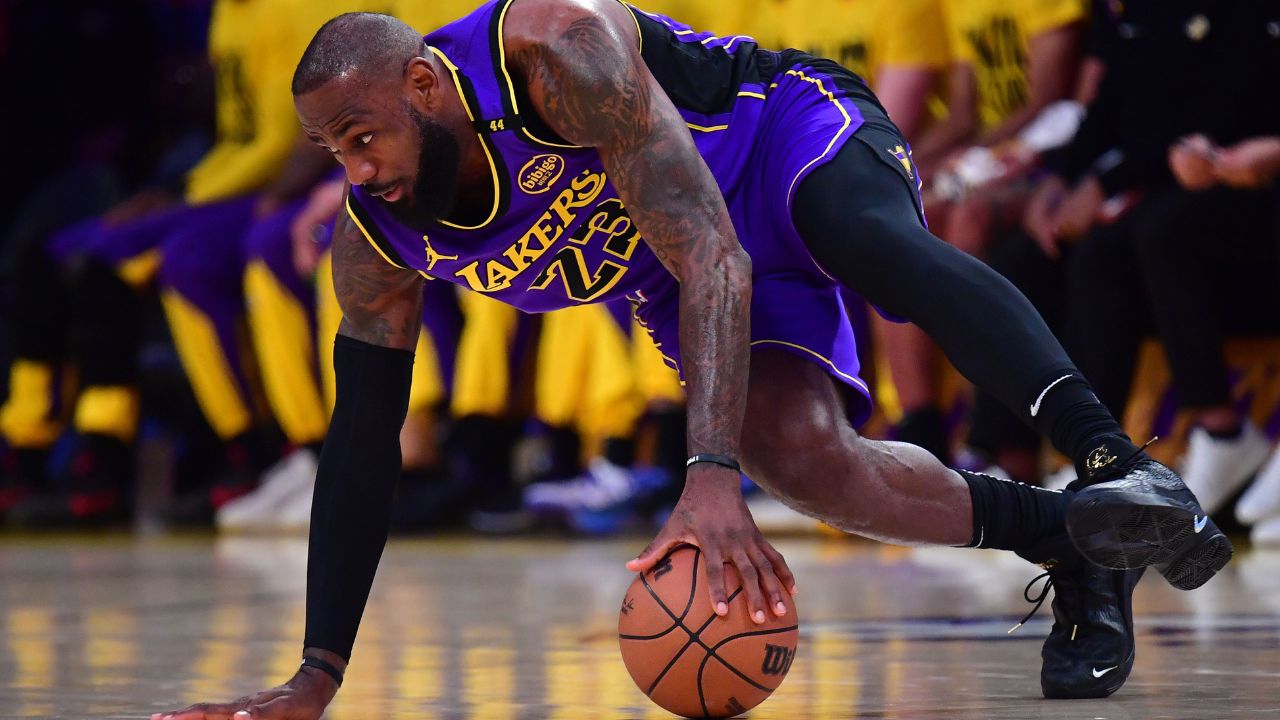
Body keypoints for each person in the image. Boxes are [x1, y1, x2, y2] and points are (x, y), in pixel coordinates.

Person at [153, 3, 1229, 717]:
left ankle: (1110, 463)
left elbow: (711, 240)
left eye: (362, 133)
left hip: (774, 137)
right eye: (331, 151)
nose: (356, 169)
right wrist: (315, 677)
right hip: (676, 270)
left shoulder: (549, 51)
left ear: (428, 85)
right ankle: (1078, 545)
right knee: (804, 463)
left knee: (868, 241)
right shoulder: (378, 242)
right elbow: (359, 449)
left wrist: (703, 476)